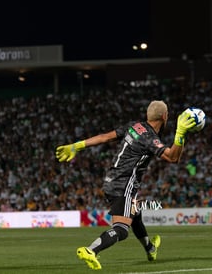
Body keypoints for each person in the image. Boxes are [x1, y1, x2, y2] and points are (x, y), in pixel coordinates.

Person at [55, 100, 196, 270]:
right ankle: (91, 250)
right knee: (121, 230)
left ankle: (150, 248)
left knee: (135, 212)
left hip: (111, 180)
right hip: (124, 184)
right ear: (165, 116)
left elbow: (104, 137)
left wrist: (77, 145)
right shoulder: (150, 137)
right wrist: (180, 133)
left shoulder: (134, 126)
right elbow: (173, 157)